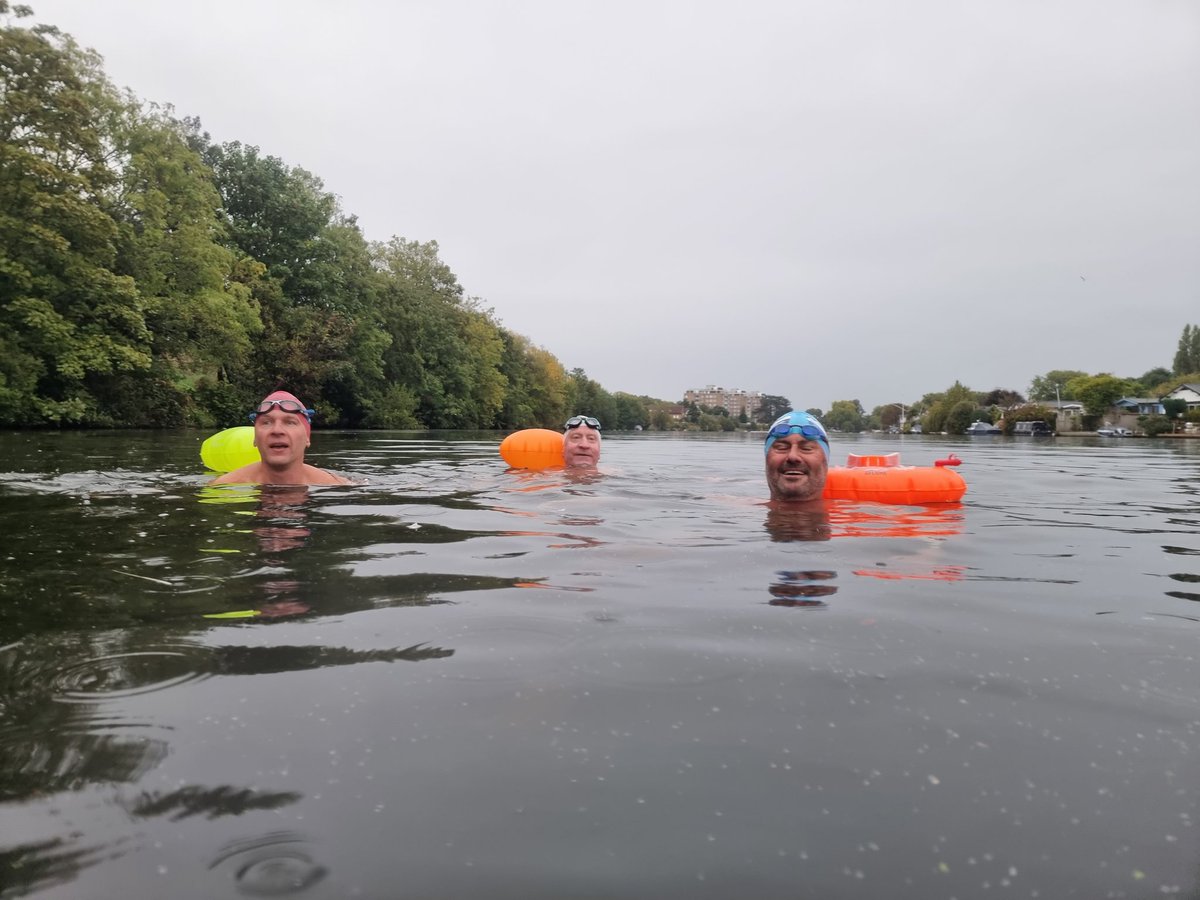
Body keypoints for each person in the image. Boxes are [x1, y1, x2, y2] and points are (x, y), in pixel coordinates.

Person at [211, 390, 352, 485]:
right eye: (266, 422)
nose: (277, 430)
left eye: (290, 422)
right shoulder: (223, 486)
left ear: (307, 438)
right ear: (255, 438)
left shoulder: (337, 486)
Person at [764, 410, 829, 503]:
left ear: (825, 461)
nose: (792, 456)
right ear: (766, 459)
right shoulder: (740, 508)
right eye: (781, 448)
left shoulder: (853, 512)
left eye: (807, 448)